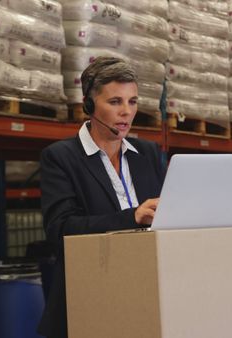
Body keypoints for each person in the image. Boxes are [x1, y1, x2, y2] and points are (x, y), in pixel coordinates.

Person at [37, 57, 166, 338]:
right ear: (89, 105)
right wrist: (132, 217)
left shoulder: (149, 153)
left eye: (132, 102)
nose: (126, 113)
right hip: (89, 296)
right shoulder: (60, 158)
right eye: (115, 102)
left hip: (145, 292)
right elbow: (61, 229)